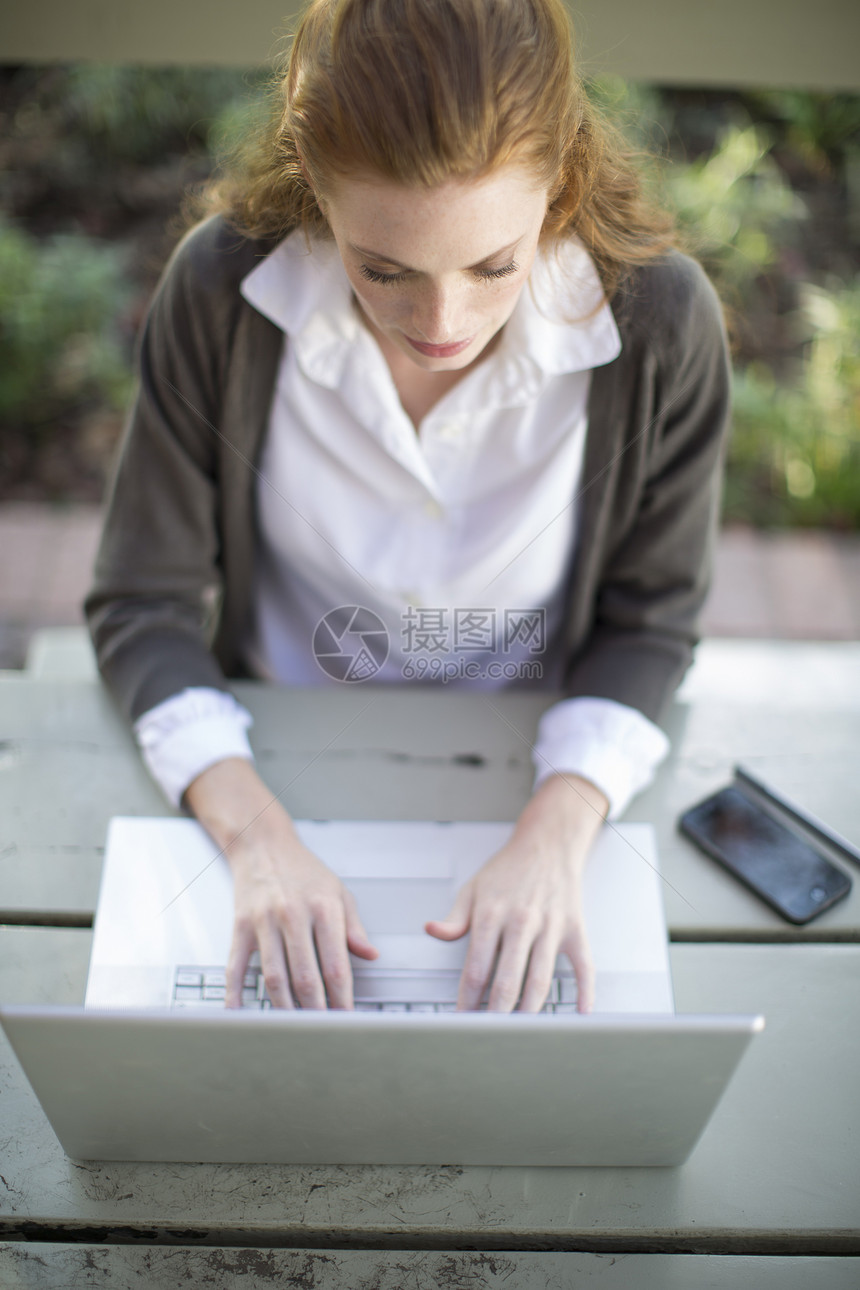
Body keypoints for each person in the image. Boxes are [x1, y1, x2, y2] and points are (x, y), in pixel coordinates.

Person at [85, 0, 730, 1017]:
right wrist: (256, 842)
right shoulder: (220, 295)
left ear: (558, 185)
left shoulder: (660, 328)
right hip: (271, 756)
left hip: (535, 760)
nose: (442, 324)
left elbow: (650, 617)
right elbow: (140, 604)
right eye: (381, 268)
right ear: (312, 186)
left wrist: (557, 834)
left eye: (492, 266)